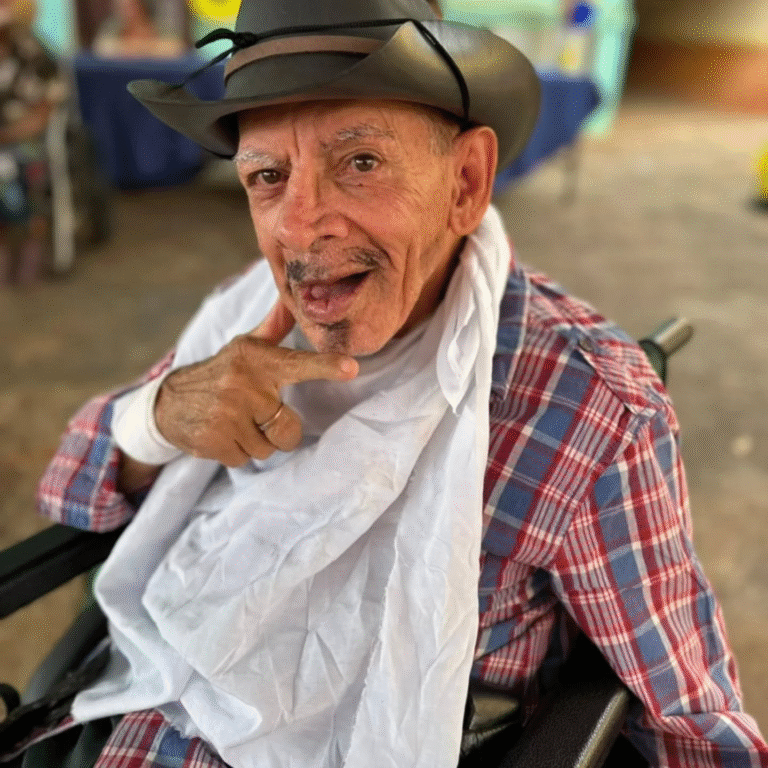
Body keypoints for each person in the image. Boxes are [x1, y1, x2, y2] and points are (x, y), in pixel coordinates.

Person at [16, 0, 768, 766]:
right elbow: (71, 486)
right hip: (150, 705)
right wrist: (159, 418)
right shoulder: (244, 318)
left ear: (466, 182)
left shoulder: (587, 411)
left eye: (361, 163)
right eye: (268, 176)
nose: (299, 227)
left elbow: (692, 725)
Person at [0, 0, 65, 285]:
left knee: (15, 166)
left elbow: (43, 113)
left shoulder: (36, 54)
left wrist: (7, 135)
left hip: (23, 138)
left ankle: (31, 238)